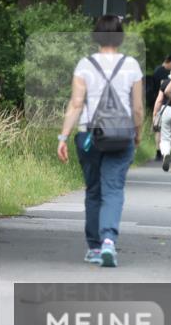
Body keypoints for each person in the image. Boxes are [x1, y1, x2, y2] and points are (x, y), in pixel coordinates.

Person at [56, 16, 144, 267]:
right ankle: (109, 242)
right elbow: (137, 108)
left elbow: (75, 104)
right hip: (121, 135)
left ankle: (94, 247)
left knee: (93, 191)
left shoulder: (85, 65)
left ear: (95, 36)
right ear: (120, 37)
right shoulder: (132, 65)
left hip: (89, 135)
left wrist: (63, 136)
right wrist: (137, 133)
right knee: (113, 189)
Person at [148, 55, 171, 160]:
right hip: (166, 102)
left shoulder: (157, 71)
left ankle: (160, 152)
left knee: (159, 128)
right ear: (169, 62)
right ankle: (168, 154)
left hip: (159, 102)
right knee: (167, 130)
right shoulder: (162, 72)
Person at [152, 63, 171, 172]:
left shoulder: (165, 83)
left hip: (166, 110)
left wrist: (154, 115)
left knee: (165, 136)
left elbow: (158, 101)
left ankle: (166, 153)